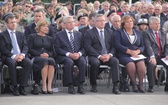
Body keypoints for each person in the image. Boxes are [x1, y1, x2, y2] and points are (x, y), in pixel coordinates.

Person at [84, 14, 120, 94]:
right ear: (95, 22)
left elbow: (114, 46)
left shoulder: (110, 32)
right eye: (100, 21)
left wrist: (109, 55)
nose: (102, 22)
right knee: (95, 63)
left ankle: (116, 86)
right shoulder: (89, 33)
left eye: (103, 20)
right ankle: (93, 84)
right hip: (95, 56)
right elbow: (88, 47)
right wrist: (99, 56)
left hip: (107, 56)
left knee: (115, 61)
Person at [0, 13, 31, 96]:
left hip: (20, 56)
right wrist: (14, 56)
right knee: (12, 63)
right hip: (9, 56)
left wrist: (22, 55)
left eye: (15, 22)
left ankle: (22, 86)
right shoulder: (2, 35)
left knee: (28, 62)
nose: (14, 24)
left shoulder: (20, 34)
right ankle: (14, 86)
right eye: (11, 22)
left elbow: (25, 46)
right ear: (7, 24)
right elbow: (3, 49)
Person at [54, 16, 87, 94]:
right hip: (65, 56)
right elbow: (57, 48)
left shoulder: (79, 34)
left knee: (82, 61)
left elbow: (84, 47)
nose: (72, 24)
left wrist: (79, 54)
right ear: (64, 25)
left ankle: (80, 84)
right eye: (69, 22)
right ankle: (70, 85)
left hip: (77, 55)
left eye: (73, 22)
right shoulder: (59, 35)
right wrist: (69, 54)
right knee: (69, 62)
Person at [114, 15, 146, 93]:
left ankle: (140, 85)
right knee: (131, 64)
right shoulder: (119, 32)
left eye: (131, 21)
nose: (130, 23)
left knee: (141, 64)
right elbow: (117, 44)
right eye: (127, 22)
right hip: (124, 54)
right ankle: (134, 84)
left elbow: (142, 45)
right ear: (123, 23)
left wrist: (137, 51)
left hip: (136, 54)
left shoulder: (137, 32)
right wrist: (130, 52)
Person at [28, 19, 56, 94]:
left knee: (51, 60)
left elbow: (52, 51)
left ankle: (49, 85)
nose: (46, 28)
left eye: (47, 26)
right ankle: (43, 84)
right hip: (36, 57)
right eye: (44, 26)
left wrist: (48, 54)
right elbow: (30, 49)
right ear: (39, 27)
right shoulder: (32, 36)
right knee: (45, 61)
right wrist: (39, 54)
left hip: (47, 57)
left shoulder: (50, 38)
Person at [142, 16, 168, 92]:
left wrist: (167, 54)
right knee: (151, 64)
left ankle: (167, 85)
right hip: (149, 55)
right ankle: (151, 85)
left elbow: (166, 45)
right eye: (155, 24)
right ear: (150, 25)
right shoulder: (146, 33)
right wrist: (152, 56)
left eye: (159, 23)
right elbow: (148, 46)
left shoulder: (163, 32)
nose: (158, 25)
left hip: (161, 56)